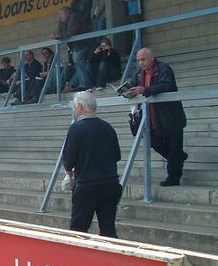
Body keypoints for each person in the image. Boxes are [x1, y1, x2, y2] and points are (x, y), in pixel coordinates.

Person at [62, 91, 121, 238]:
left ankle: (79, 260)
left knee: (78, 229)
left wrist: (69, 173)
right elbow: (117, 155)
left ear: (80, 107)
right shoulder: (108, 127)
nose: (74, 110)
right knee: (108, 228)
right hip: (110, 183)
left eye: (75, 107)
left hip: (87, 185)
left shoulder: (76, 128)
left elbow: (69, 161)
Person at [128, 47, 187, 186]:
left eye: (143, 59)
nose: (141, 63)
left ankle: (173, 178)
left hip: (170, 117)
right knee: (155, 143)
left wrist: (145, 90)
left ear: (152, 58)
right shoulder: (139, 73)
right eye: (138, 61)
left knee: (174, 147)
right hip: (152, 118)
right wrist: (127, 91)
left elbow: (166, 86)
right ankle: (179, 158)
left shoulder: (164, 69)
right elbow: (132, 85)